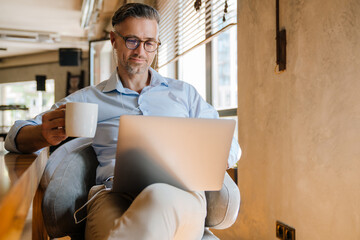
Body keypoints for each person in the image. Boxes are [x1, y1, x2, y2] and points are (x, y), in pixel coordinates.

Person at [5, 3, 241, 240]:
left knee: (159, 198)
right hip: (112, 195)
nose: (141, 51)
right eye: (132, 41)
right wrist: (42, 134)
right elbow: (16, 135)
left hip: (181, 195)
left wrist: (208, 158)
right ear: (113, 40)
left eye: (149, 43)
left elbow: (230, 145)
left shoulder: (184, 94)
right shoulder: (88, 99)